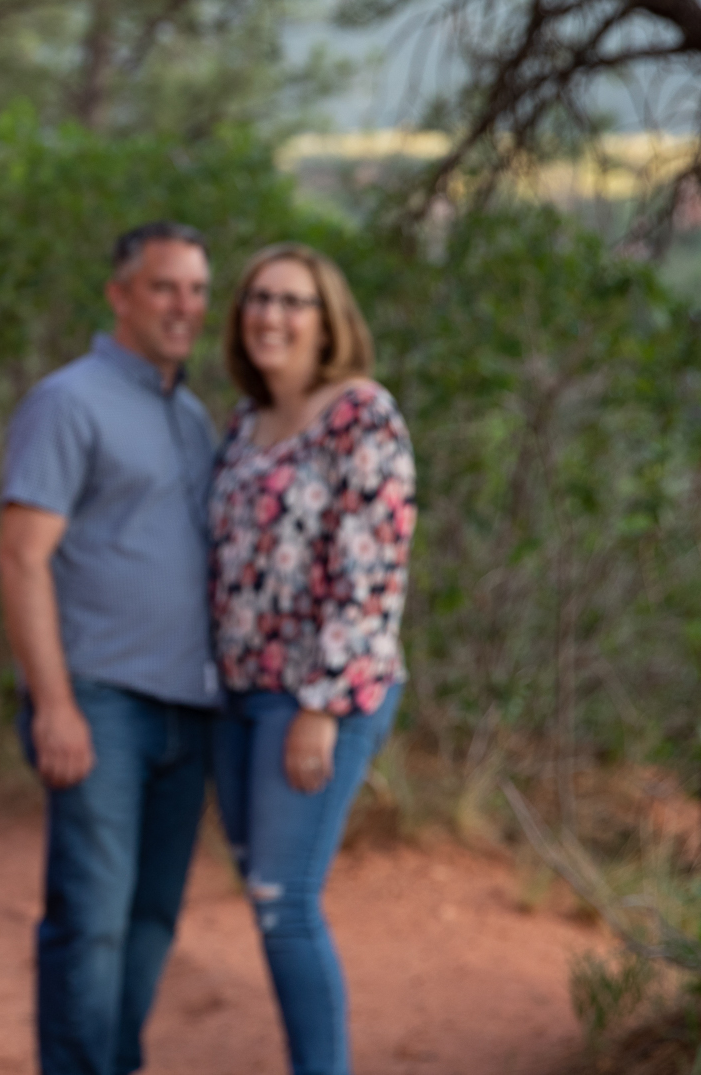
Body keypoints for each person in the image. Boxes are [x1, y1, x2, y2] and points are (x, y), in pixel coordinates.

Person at [0, 221, 220, 1075]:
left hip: (188, 707)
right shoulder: (70, 400)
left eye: (197, 290)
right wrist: (54, 701)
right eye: (165, 287)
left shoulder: (193, 417)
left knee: (153, 915)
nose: (184, 306)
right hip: (100, 701)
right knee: (90, 917)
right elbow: (21, 554)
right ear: (120, 295)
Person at [207, 242, 414, 1075]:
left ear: (329, 321)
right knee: (266, 896)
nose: (272, 315)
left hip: (320, 695)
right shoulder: (244, 424)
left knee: (284, 900)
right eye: (260, 297)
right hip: (239, 694)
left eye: (295, 301)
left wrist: (320, 708)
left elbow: (373, 573)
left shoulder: (361, 414)